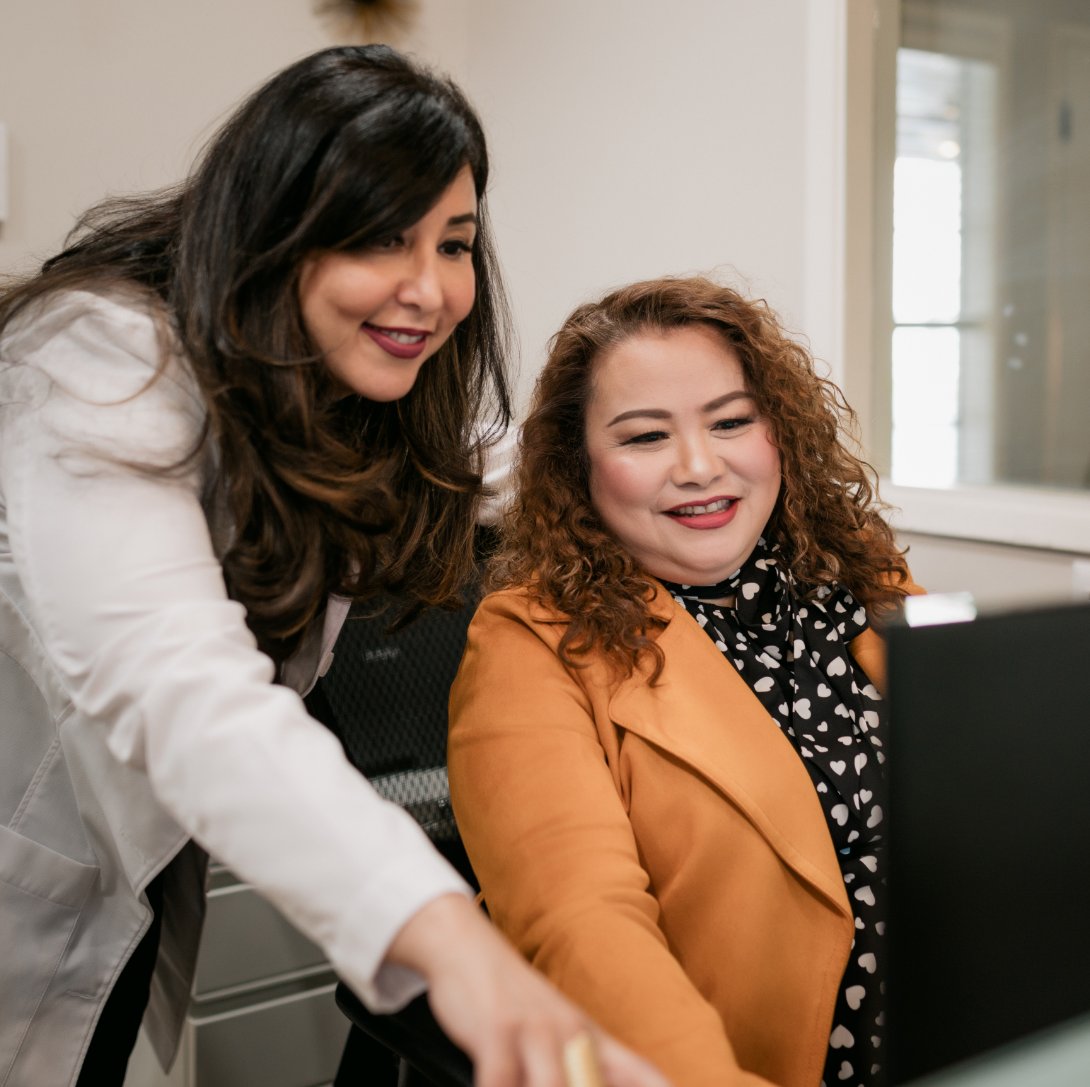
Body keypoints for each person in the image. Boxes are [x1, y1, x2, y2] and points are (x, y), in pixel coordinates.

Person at [0, 45, 669, 1087]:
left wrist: (685, 463)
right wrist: (451, 938)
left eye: (455, 244)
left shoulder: (334, 390)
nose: (430, 289)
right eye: (381, 237)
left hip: (127, 906)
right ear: (279, 226)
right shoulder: (98, 359)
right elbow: (178, 684)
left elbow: (500, 466)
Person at [447, 276, 924, 1087]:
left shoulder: (860, 575)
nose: (701, 467)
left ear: (781, 430)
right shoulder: (528, 644)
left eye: (732, 421)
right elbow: (583, 929)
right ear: (578, 466)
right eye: (644, 437)